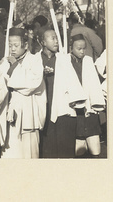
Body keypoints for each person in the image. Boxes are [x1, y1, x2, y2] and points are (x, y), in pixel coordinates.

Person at [35, 28, 86, 158]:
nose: (56, 41)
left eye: (56, 38)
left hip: (63, 109)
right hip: (44, 110)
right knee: (47, 149)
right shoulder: (35, 60)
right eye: (52, 38)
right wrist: (42, 74)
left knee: (65, 149)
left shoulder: (63, 59)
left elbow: (73, 82)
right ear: (43, 42)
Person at [1, 27, 46, 158]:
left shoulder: (35, 60)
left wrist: (15, 67)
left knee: (29, 152)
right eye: (10, 45)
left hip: (28, 114)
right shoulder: (6, 61)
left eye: (15, 45)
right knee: (11, 153)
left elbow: (32, 83)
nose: (12, 49)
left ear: (25, 45)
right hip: (11, 112)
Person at [69, 34, 105, 158]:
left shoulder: (88, 61)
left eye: (84, 48)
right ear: (71, 48)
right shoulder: (67, 62)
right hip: (76, 109)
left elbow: (94, 84)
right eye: (79, 48)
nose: (82, 51)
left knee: (94, 143)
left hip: (90, 108)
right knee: (79, 145)